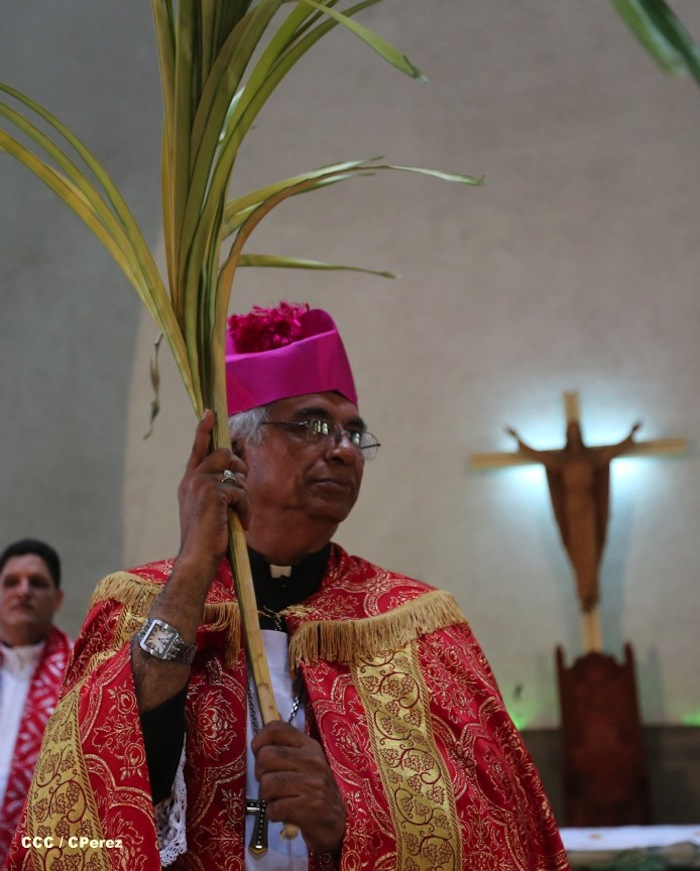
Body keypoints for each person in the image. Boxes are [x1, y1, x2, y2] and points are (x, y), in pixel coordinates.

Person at [8, 302, 569, 871]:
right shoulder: (137, 602)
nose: (344, 449)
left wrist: (353, 824)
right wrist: (193, 568)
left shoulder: (415, 624)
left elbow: (498, 836)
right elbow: (90, 798)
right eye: (314, 425)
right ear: (238, 449)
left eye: (355, 433)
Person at [506, 420, 641, 612]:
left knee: (591, 548)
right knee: (578, 548)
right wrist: (519, 440)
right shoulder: (562, 461)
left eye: (577, 430)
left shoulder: (591, 458)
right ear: (567, 435)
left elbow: (611, 452)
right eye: (571, 431)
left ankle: (591, 590)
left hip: (589, 506)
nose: (575, 434)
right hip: (571, 507)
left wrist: (630, 436)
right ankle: (584, 591)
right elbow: (541, 456)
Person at [0, 538, 72, 864]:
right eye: (11, 582)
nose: (23, 591)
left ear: (57, 599)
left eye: (37, 583)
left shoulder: (82, 673)